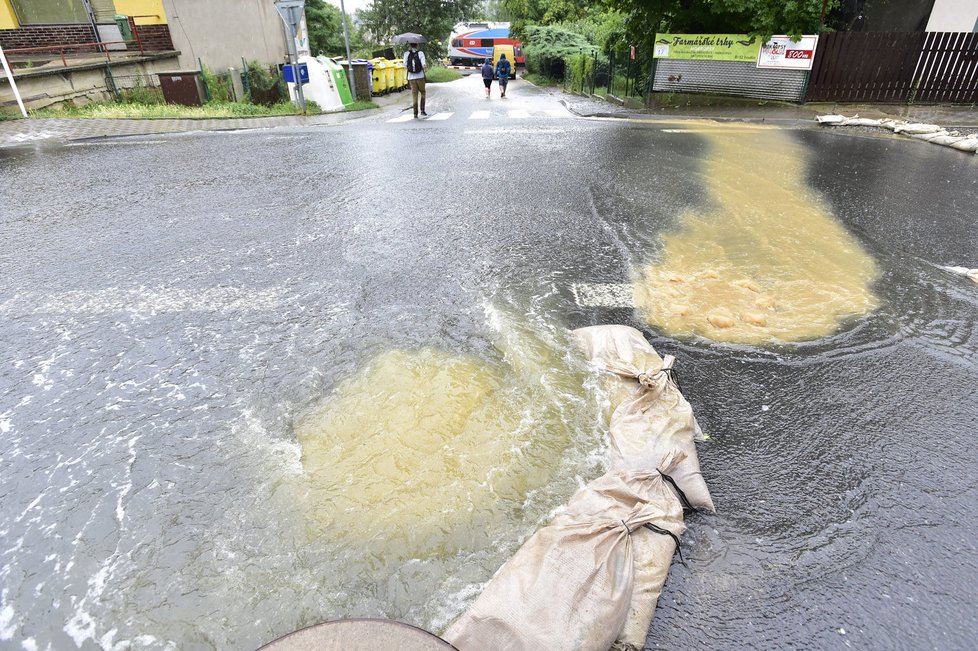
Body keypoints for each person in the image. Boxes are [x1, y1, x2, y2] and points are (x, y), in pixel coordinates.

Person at [404, 43, 428, 118]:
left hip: (411, 78)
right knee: (423, 92)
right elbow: (423, 64)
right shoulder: (420, 53)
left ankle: (415, 113)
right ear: (417, 45)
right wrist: (425, 69)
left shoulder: (406, 54)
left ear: (410, 46)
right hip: (420, 76)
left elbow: (405, 65)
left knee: (414, 95)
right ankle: (422, 110)